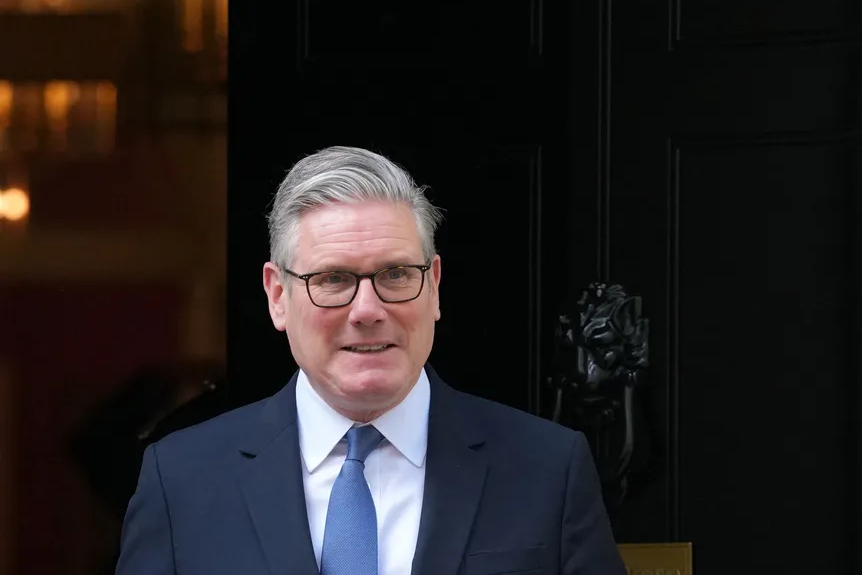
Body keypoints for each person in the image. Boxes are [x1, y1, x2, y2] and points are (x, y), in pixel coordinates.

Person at [115, 146, 625, 575]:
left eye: (396, 274)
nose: (367, 310)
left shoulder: (546, 470)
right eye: (333, 279)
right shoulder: (182, 481)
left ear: (435, 286)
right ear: (277, 296)